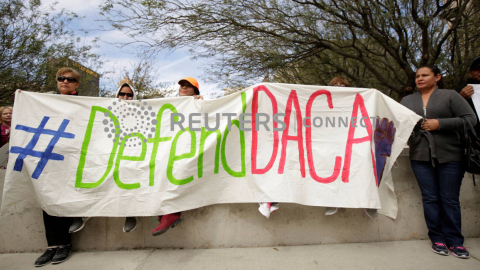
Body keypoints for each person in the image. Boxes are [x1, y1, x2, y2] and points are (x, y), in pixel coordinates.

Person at [400, 64, 475, 259]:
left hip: (450, 156)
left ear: (437, 77)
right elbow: (399, 123)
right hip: (420, 156)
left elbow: (470, 119)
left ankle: (455, 241)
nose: (420, 79)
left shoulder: (450, 95)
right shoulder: (407, 100)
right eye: (417, 76)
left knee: (449, 199)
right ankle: (437, 239)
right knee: (430, 198)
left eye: (425, 75)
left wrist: (440, 124)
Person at [68, 78, 139, 234]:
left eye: (129, 95)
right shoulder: (103, 110)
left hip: (129, 155)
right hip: (105, 152)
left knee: (127, 170)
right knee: (87, 170)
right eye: (121, 94)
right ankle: (81, 214)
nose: (125, 98)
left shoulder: (142, 113)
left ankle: (131, 213)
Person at [34, 67, 81, 267]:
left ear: (76, 84)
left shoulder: (83, 104)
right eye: (61, 78)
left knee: (65, 198)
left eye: (70, 79)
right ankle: (51, 246)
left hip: (73, 158)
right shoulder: (46, 102)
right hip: (49, 157)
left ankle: (64, 244)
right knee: (48, 198)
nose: (65, 82)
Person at [152, 77, 202, 236]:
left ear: (195, 91)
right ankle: (165, 212)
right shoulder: (170, 105)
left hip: (189, 149)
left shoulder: (197, 103)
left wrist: (200, 102)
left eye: (188, 86)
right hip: (169, 148)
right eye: (182, 85)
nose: (184, 88)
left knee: (179, 170)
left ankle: (171, 214)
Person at [456, 56, 480, 134]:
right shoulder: (461, 90)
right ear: (470, 73)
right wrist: (461, 98)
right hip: (474, 137)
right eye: (477, 68)